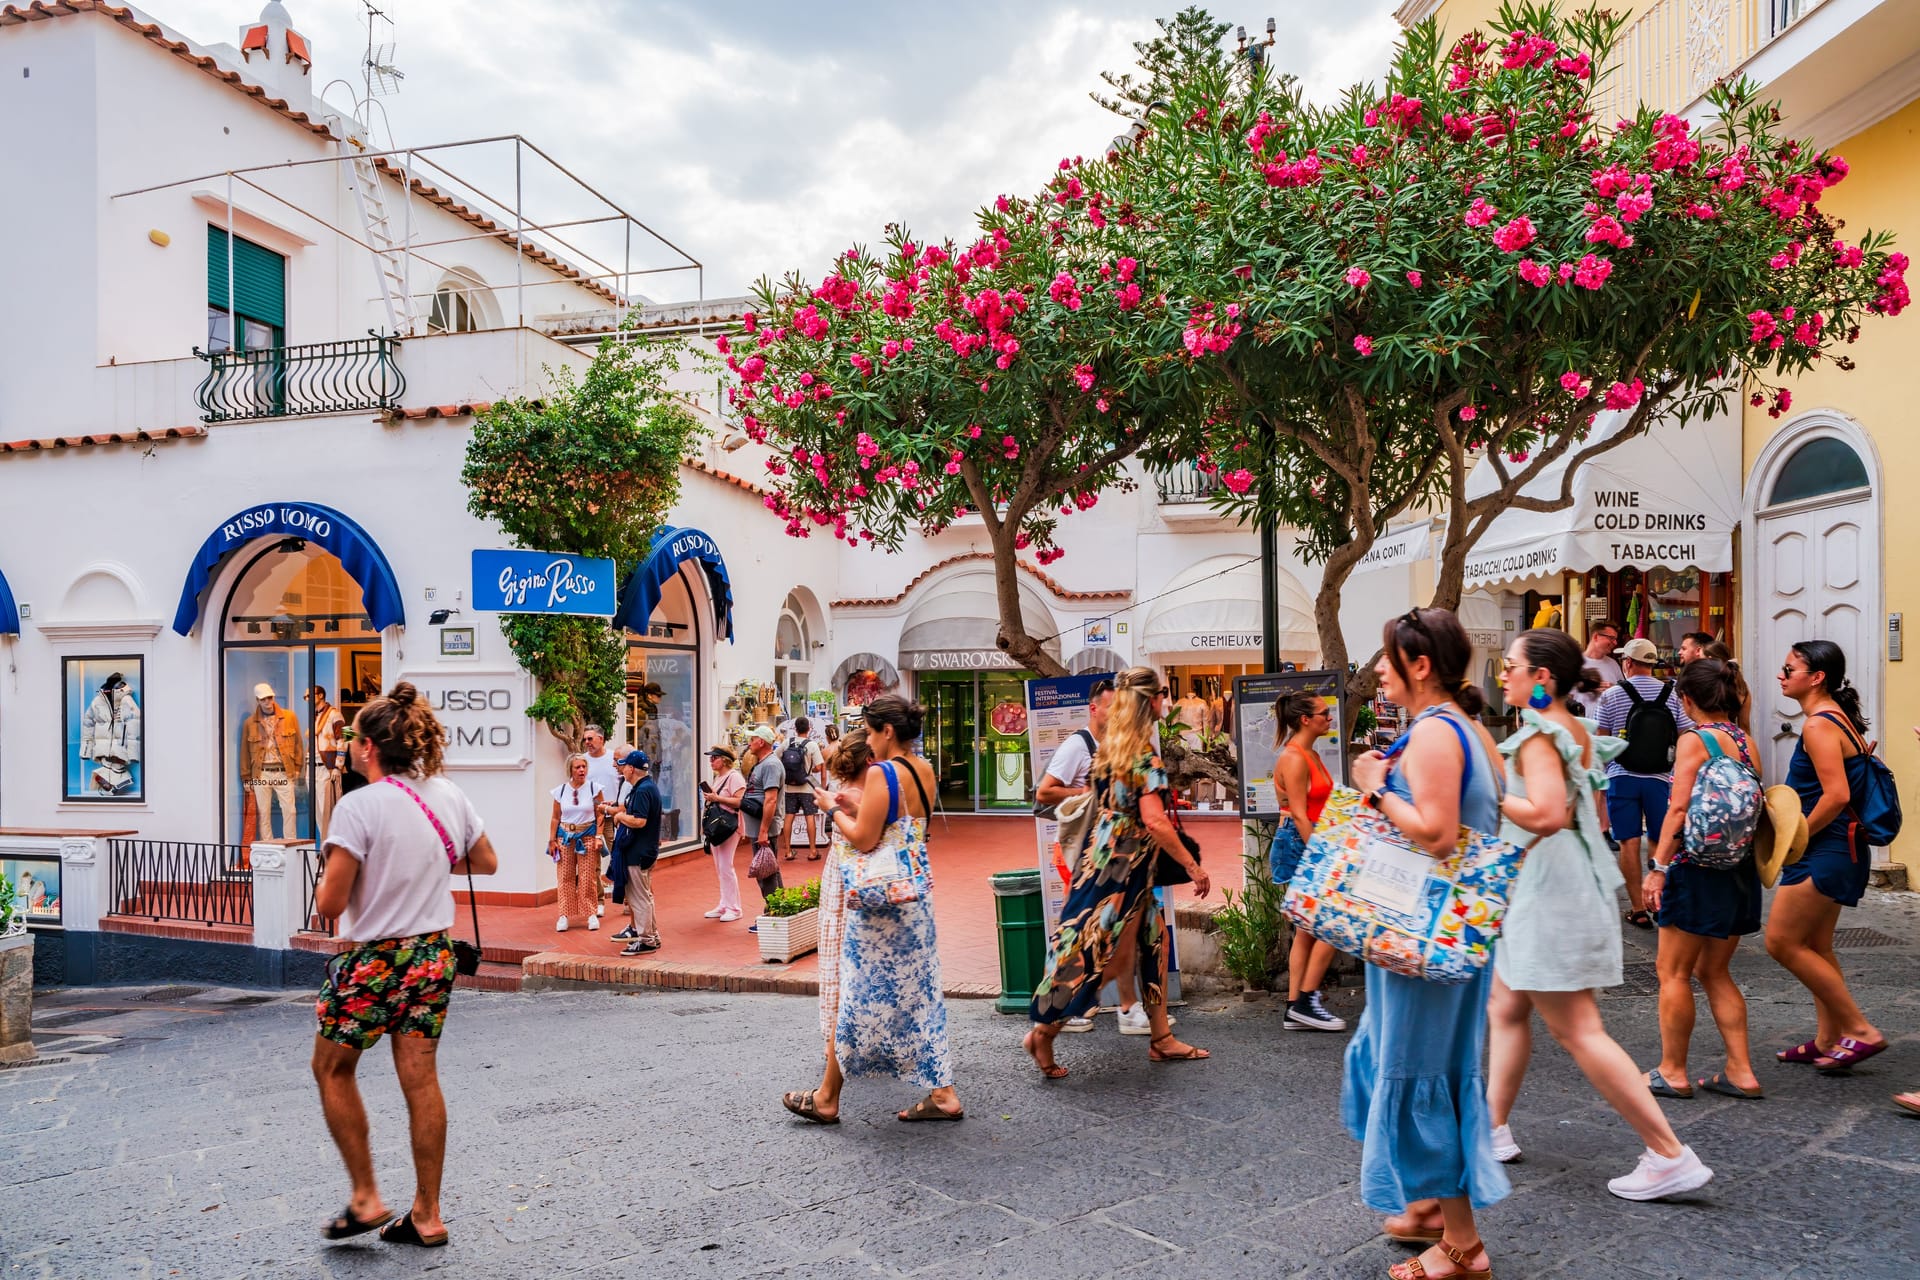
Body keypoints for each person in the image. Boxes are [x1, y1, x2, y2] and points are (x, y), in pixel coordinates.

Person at [1482, 627, 1713, 1203]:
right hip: (1553, 889)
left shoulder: (1541, 735)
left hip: (1549, 896)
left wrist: (1486, 791)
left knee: (1579, 1029)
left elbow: (1547, 814)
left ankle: (1668, 1153)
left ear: (1542, 679)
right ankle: (1490, 1129)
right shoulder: (1572, 727)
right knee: (1506, 1005)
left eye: (1511, 666)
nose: (1503, 674)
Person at [1341, 610, 1506, 1279]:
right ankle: (1432, 1209)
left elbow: (1437, 834)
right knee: (1407, 1060)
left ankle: (1463, 1246)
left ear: (1420, 664)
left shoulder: (1437, 733)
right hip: (1429, 932)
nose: (1379, 669)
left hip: (1424, 938)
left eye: (1387, 657)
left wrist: (1376, 790)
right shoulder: (1457, 729)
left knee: (1421, 1069)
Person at [311, 681, 498, 1249]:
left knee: (332, 1068)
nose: (344, 746)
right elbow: (486, 861)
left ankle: (366, 1195)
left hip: (378, 957)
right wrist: (422, 855)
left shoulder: (358, 806)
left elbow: (330, 903)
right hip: (433, 955)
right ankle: (428, 1214)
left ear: (369, 746)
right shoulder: (446, 794)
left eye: (350, 738)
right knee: (421, 1080)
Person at [782, 700, 963, 1124]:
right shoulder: (925, 770)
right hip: (914, 901)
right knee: (920, 998)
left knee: (855, 995)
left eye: (868, 728)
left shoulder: (884, 772)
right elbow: (899, 824)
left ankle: (827, 1097)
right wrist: (852, 806)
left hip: (880, 908)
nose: (868, 739)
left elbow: (864, 840)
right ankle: (943, 1092)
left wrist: (830, 807)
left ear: (884, 730)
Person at [1025, 666, 1210, 1078]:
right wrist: (1192, 865)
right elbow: (1156, 821)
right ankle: (1045, 1031)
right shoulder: (1144, 754)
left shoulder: (1110, 745)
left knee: (1153, 939)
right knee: (1104, 957)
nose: (1167, 700)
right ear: (1149, 701)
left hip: (1108, 857)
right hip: (1123, 868)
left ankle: (1161, 1038)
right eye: (1162, 693)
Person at [1643, 660, 1765, 1099]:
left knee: (1672, 971)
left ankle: (1672, 1071)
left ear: (1687, 699)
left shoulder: (1694, 740)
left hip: (1695, 867)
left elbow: (1677, 810)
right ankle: (1742, 1070)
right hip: (1738, 868)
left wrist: (1657, 868)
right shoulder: (1746, 741)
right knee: (1714, 970)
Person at [1767, 641, 1888, 1072]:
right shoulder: (1834, 717)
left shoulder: (1819, 725)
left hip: (1828, 848)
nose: (1780, 675)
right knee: (1815, 945)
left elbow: (1836, 796)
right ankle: (1827, 1037)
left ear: (1816, 677)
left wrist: (1794, 840)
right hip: (1838, 848)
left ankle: (1859, 1029)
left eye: (1788, 668)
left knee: (1780, 942)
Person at [1034, 679, 1150, 1035]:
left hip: (1109, 853)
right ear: (1094, 708)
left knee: (1119, 928)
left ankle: (1120, 1008)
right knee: (1085, 931)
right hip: (1083, 853)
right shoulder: (1078, 745)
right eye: (1110, 707)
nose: (1117, 714)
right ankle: (1060, 1009)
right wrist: (1087, 791)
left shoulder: (1120, 746)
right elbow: (1044, 791)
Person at [1594, 636, 1695, 929]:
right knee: (1657, 838)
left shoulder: (1612, 695)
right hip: (1660, 777)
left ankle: (1637, 908)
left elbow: (1602, 740)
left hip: (1621, 775)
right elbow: (1686, 734)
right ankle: (1658, 903)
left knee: (1628, 842)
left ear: (1627, 662)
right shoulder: (1673, 694)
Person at [1268, 692, 1345, 1033]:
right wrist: (1322, 854)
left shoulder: (1311, 753)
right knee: (1327, 922)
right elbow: (1299, 814)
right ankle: (1303, 1001)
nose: (1330, 718)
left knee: (1309, 927)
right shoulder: (1296, 757)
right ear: (1305, 719)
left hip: (1312, 839)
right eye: (1324, 714)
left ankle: (1295, 1005)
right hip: (1301, 841)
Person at [602, 750, 662, 955]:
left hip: (639, 851)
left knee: (639, 898)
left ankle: (647, 940)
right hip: (644, 850)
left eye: (624, 765)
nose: (622, 768)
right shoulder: (645, 787)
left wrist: (619, 817)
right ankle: (652, 935)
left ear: (632, 768)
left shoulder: (643, 789)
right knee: (644, 896)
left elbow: (639, 820)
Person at [547, 754, 604, 933]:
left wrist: (598, 837)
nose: (581, 770)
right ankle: (564, 914)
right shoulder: (560, 791)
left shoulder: (595, 789)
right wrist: (551, 840)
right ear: (570, 770)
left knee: (588, 877)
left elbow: (600, 813)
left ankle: (591, 914)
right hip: (565, 837)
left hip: (587, 835)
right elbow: (555, 817)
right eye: (577, 767)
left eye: (583, 767)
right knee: (565, 876)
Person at [242, 682, 305, 841]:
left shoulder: (289, 717)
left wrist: (297, 767)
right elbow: (244, 752)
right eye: (264, 699)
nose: (268, 702)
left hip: (284, 771)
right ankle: (268, 848)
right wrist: (246, 777)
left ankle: (290, 845)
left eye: (270, 698)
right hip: (261, 773)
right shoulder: (250, 723)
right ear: (257, 700)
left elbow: (298, 743)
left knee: (290, 810)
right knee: (264, 813)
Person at [739, 726, 787, 929]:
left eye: (753, 739)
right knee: (769, 871)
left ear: (762, 742)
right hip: (759, 829)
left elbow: (770, 799)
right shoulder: (763, 764)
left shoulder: (771, 765)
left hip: (763, 830)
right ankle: (779, 911)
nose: (750, 743)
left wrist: (763, 831)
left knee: (765, 873)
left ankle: (773, 915)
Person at [697, 745, 746, 922]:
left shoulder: (735, 777)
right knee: (720, 867)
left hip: (728, 826)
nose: (711, 761)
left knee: (726, 866)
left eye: (714, 757)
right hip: (717, 825)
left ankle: (734, 907)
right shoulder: (719, 777)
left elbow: (740, 802)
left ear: (724, 759)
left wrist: (717, 798)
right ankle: (725, 903)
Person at [780, 716, 829, 862]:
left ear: (795, 728)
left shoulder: (786, 742)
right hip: (806, 787)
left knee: (789, 816)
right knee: (810, 817)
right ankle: (813, 851)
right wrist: (810, 770)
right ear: (809, 729)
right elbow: (819, 767)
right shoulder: (812, 745)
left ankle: (788, 851)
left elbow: (777, 760)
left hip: (790, 788)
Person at [308, 686, 346, 840]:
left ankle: (331, 849)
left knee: (327, 811)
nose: (307, 699)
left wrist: (338, 766)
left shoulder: (335, 714)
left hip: (327, 767)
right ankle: (325, 848)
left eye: (310, 695)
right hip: (312, 767)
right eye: (306, 697)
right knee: (317, 811)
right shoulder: (314, 716)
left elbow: (345, 739)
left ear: (321, 695)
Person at [1700, 641, 1752, 733]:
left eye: (1700, 660)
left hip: (1708, 738)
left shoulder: (1707, 685)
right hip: (1732, 739)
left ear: (1709, 660)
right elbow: (1744, 726)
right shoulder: (1741, 686)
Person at [1583, 621, 1624, 689]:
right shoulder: (1576, 663)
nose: (1615, 643)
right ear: (1596, 637)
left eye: (1615, 639)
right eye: (1611, 638)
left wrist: (1613, 689)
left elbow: (1623, 692)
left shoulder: (1613, 664)